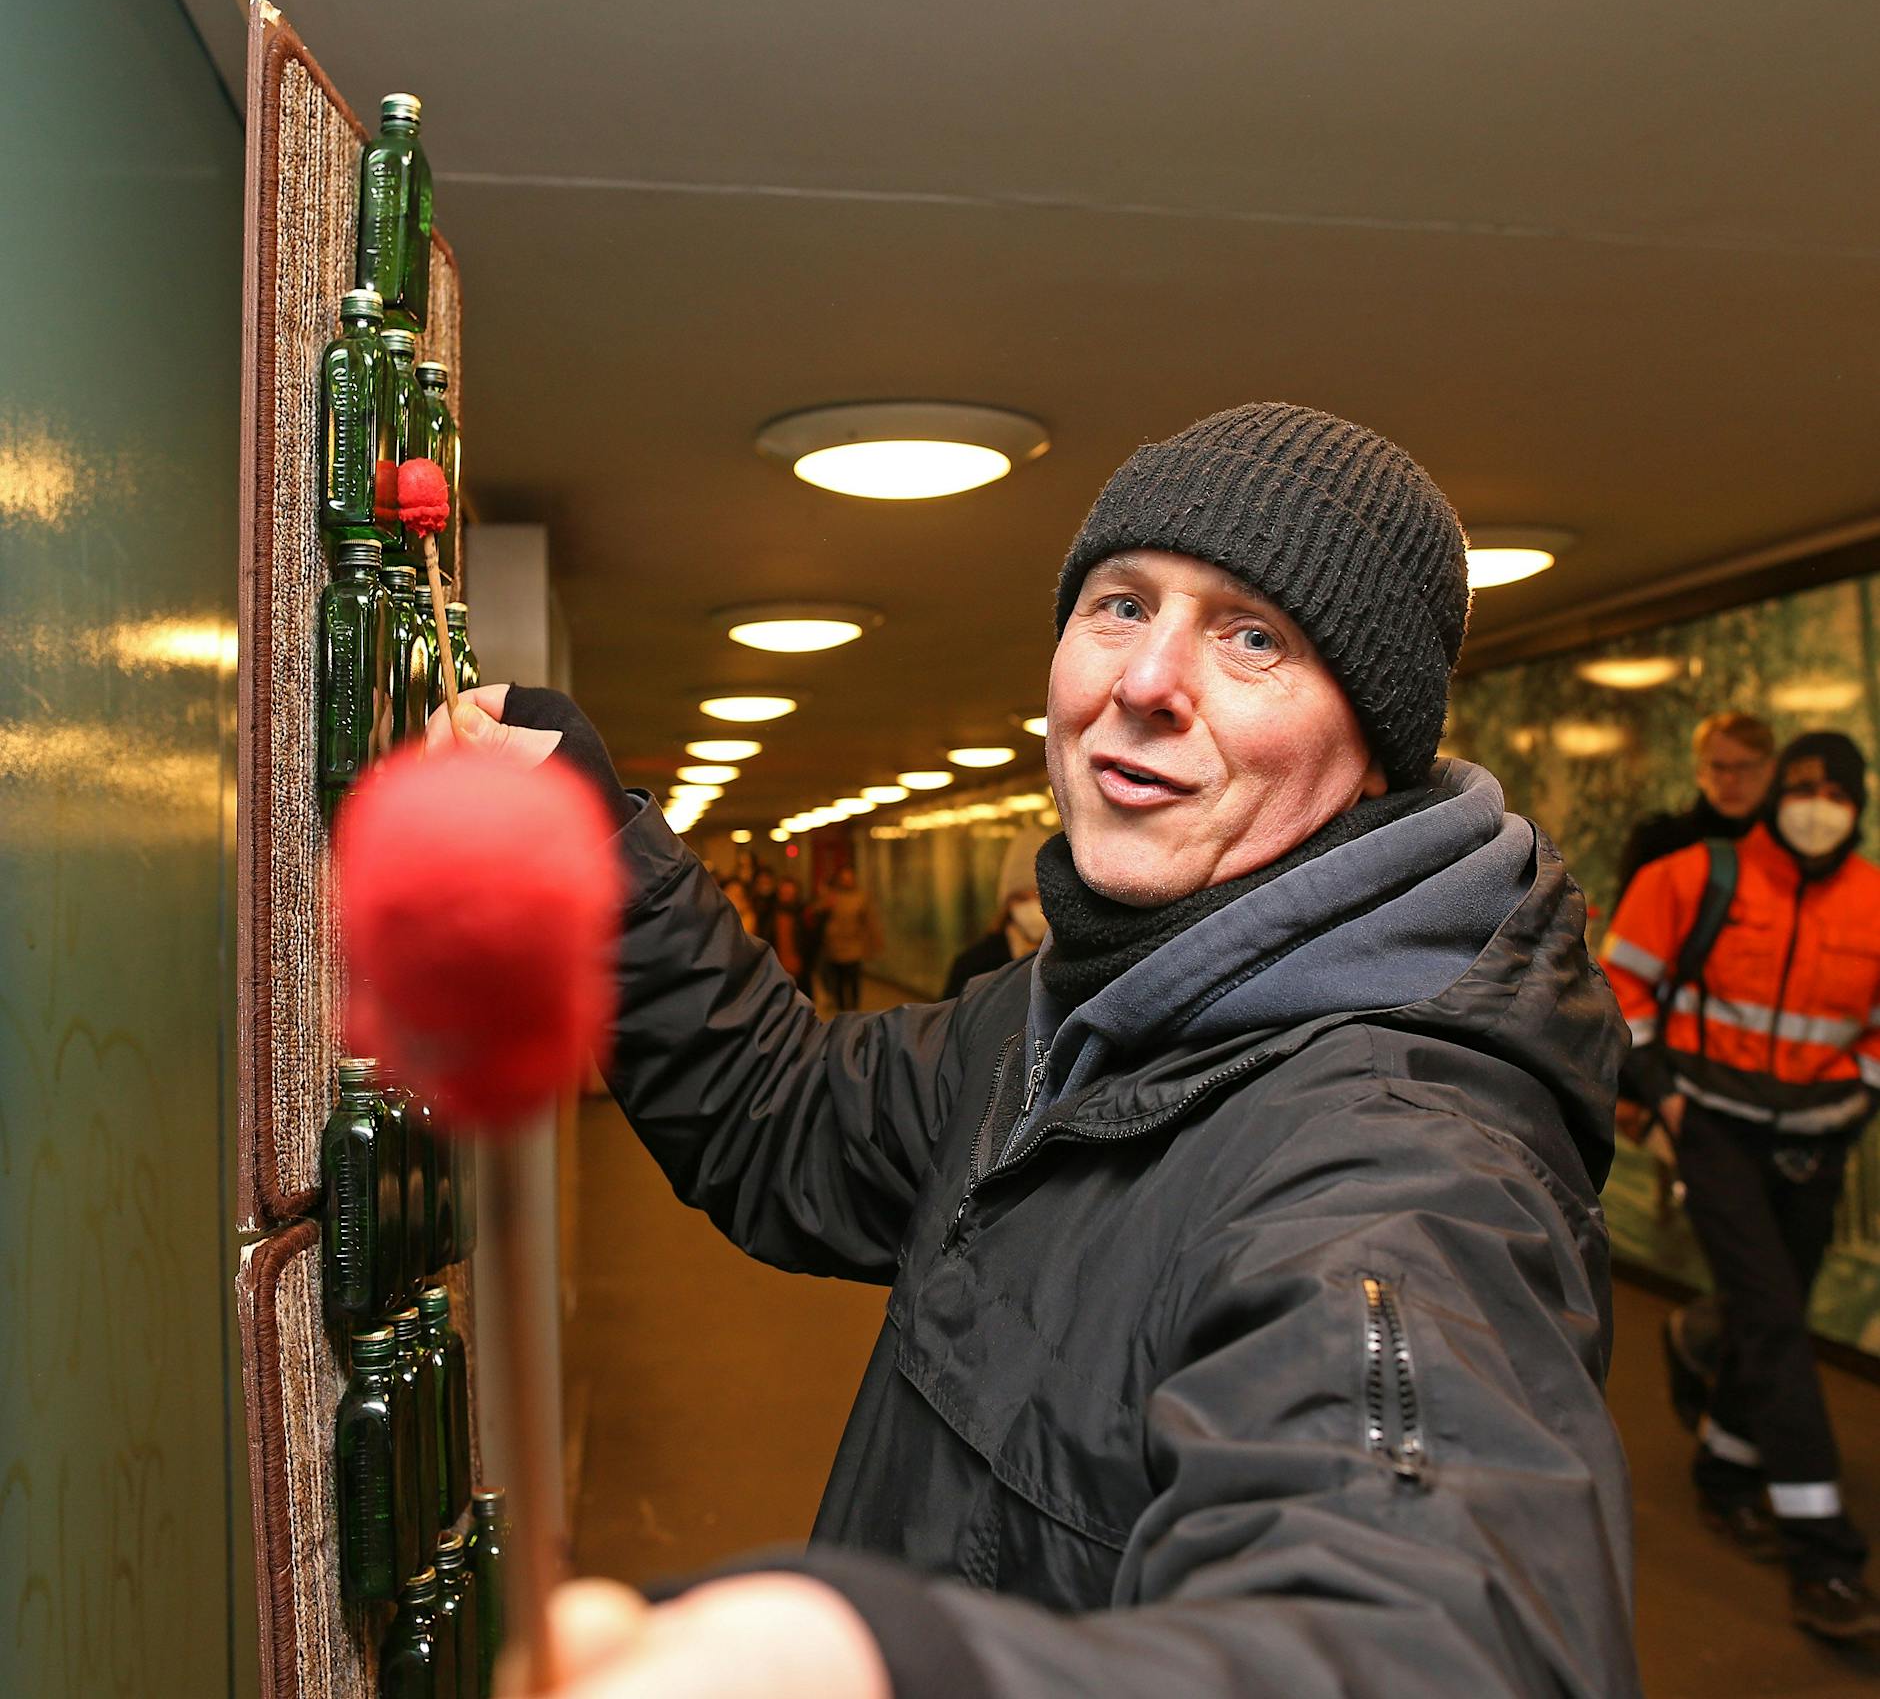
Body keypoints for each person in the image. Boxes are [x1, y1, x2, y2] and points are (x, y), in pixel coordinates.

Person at [436, 401, 1637, 1697]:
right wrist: (594, 848)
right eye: (1122, 604)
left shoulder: (1399, 1164)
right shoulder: (1053, 1015)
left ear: (1372, 760)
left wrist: (889, 1665)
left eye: (1253, 638)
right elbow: (781, 1114)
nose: (1146, 682)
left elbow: (1429, 1634)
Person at [1601, 730, 1880, 1641]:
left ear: (1859, 802)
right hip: (1713, 1129)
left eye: (1835, 790)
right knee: (1772, 1318)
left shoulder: (1876, 900)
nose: (1816, 803)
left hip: (1817, 1143)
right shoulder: (1693, 876)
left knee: (1773, 1311)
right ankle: (1824, 1554)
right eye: (1800, 786)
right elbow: (1622, 991)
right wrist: (1668, 1102)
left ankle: (1725, 1471)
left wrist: (1861, 1092)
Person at [1616, 710, 1776, 899]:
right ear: (1700, 772)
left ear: (1771, 770)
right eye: (1718, 767)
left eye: (1744, 767)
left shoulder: (1787, 844)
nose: (1730, 779)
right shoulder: (1658, 842)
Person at [941, 828, 1050, 999]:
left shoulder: (1072, 960)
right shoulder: (973, 966)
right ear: (1006, 905)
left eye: (1040, 896)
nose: (1033, 906)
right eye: (1021, 898)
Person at [813, 864, 882, 1011]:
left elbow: (869, 922)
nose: (846, 881)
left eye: (849, 878)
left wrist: (874, 943)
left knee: (853, 982)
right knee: (838, 983)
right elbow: (816, 913)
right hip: (833, 947)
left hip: (853, 947)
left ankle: (854, 1011)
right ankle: (843, 1011)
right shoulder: (832, 896)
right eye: (843, 878)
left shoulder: (860, 897)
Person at [759, 873, 817, 996]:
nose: (787, 895)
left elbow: (811, 941)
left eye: (790, 893)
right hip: (777, 968)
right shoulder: (770, 913)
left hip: (800, 969)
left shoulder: (803, 913)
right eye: (784, 892)